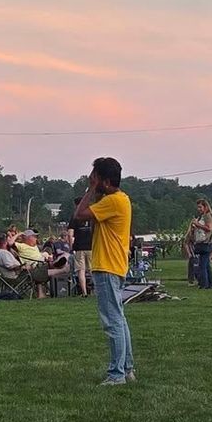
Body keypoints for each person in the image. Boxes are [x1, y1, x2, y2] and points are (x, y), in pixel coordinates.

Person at [75, 156, 135, 386]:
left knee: (112, 322)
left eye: (96, 176)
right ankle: (127, 369)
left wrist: (90, 189)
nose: (93, 179)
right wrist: (96, 188)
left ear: (106, 181)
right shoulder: (121, 199)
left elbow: (79, 215)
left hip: (107, 267)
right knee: (119, 319)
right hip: (115, 266)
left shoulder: (112, 202)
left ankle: (117, 374)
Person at [190, 198, 212, 290]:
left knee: (202, 265)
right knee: (206, 265)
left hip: (207, 243)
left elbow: (209, 228)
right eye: (198, 207)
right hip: (203, 243)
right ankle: (210, 284)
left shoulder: (208, 216)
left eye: (200, 207)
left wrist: (197, 224)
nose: (199, 209)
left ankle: (204, 284)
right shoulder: (202, 216)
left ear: (205, 207)